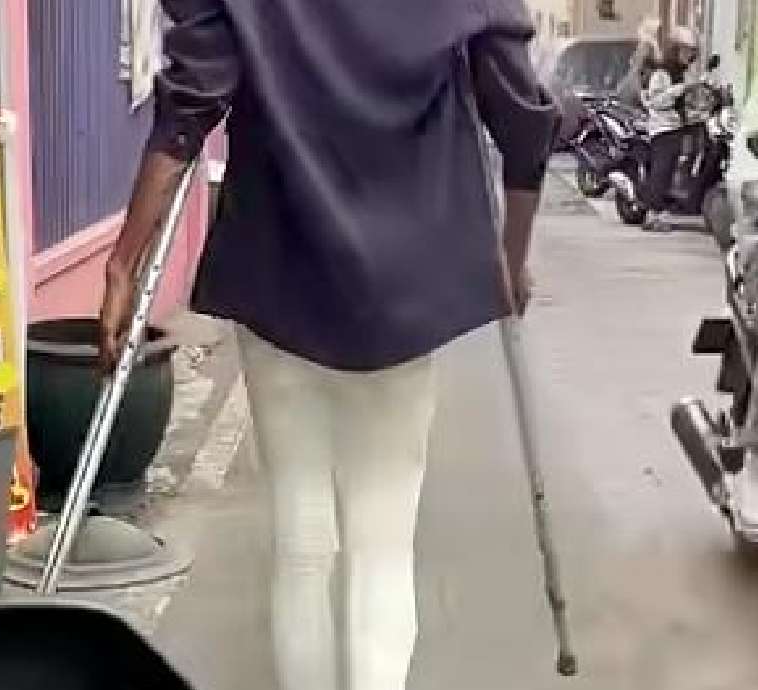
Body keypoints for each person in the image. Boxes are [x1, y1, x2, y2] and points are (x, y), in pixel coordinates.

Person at [98, 1, 559, 688]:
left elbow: (192, 100)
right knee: (382, 541)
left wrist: (125, 263)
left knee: (301, 544)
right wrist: (512, 254)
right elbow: (523, 120)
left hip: (280, 271)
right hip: (406, 288)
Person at [640, 25, 699, 233]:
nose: (689, 55)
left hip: (678, 127)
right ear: (675, 50)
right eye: (685, 50)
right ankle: (651, 214)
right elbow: (655, 101)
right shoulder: (662, 74)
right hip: (663, 129)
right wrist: (677, 91)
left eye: (691, 51)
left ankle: (666, 210)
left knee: (673, 170)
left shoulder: (685, 74)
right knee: (661, 172)